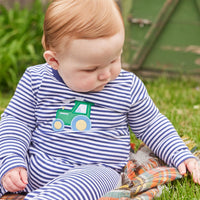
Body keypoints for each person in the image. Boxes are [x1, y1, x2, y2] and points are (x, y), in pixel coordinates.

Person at [0, 0, 200, 199]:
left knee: (95, 182)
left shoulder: (127, 87)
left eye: (114, 59)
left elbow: (152, 125)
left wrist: (181, 155)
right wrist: (12, 161)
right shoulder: (36, 80)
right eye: (91, 69)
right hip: (34, 166)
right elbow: (16, 122)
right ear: (54, 60)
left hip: (94, 171)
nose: (106, 74)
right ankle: (15, 188)